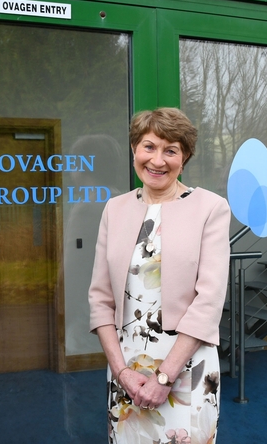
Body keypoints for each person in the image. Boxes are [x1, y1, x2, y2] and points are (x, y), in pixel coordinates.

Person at [88, 108, 231, 443]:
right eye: (149, 147)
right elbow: (100, 298)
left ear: (185, 157)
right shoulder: (115, 209)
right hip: (126, 369)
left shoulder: (210, 208)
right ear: (135, 150)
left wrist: (163, 378)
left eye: (171, 150)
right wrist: (121, 371)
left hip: (186, 367)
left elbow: (207, 302)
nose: (157, 160)